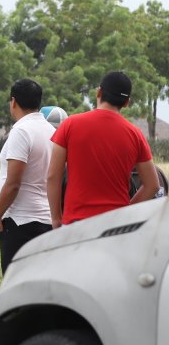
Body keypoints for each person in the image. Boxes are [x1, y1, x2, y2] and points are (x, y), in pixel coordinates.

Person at [48, 71, 159, 228]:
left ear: (98, 92)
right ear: (127, 102)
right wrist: (126, 212)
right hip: (115, 227)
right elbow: (152, 184)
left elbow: (53, 176)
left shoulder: (70, 125)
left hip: (76, 223)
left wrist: (56, 218)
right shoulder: (135, 134)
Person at [0, 79, 56, 273]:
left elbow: (13, 183)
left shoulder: (21, 131)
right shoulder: (51, 131)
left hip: (21, 222)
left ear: (13, 102)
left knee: (16, 287)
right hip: (46, 219)